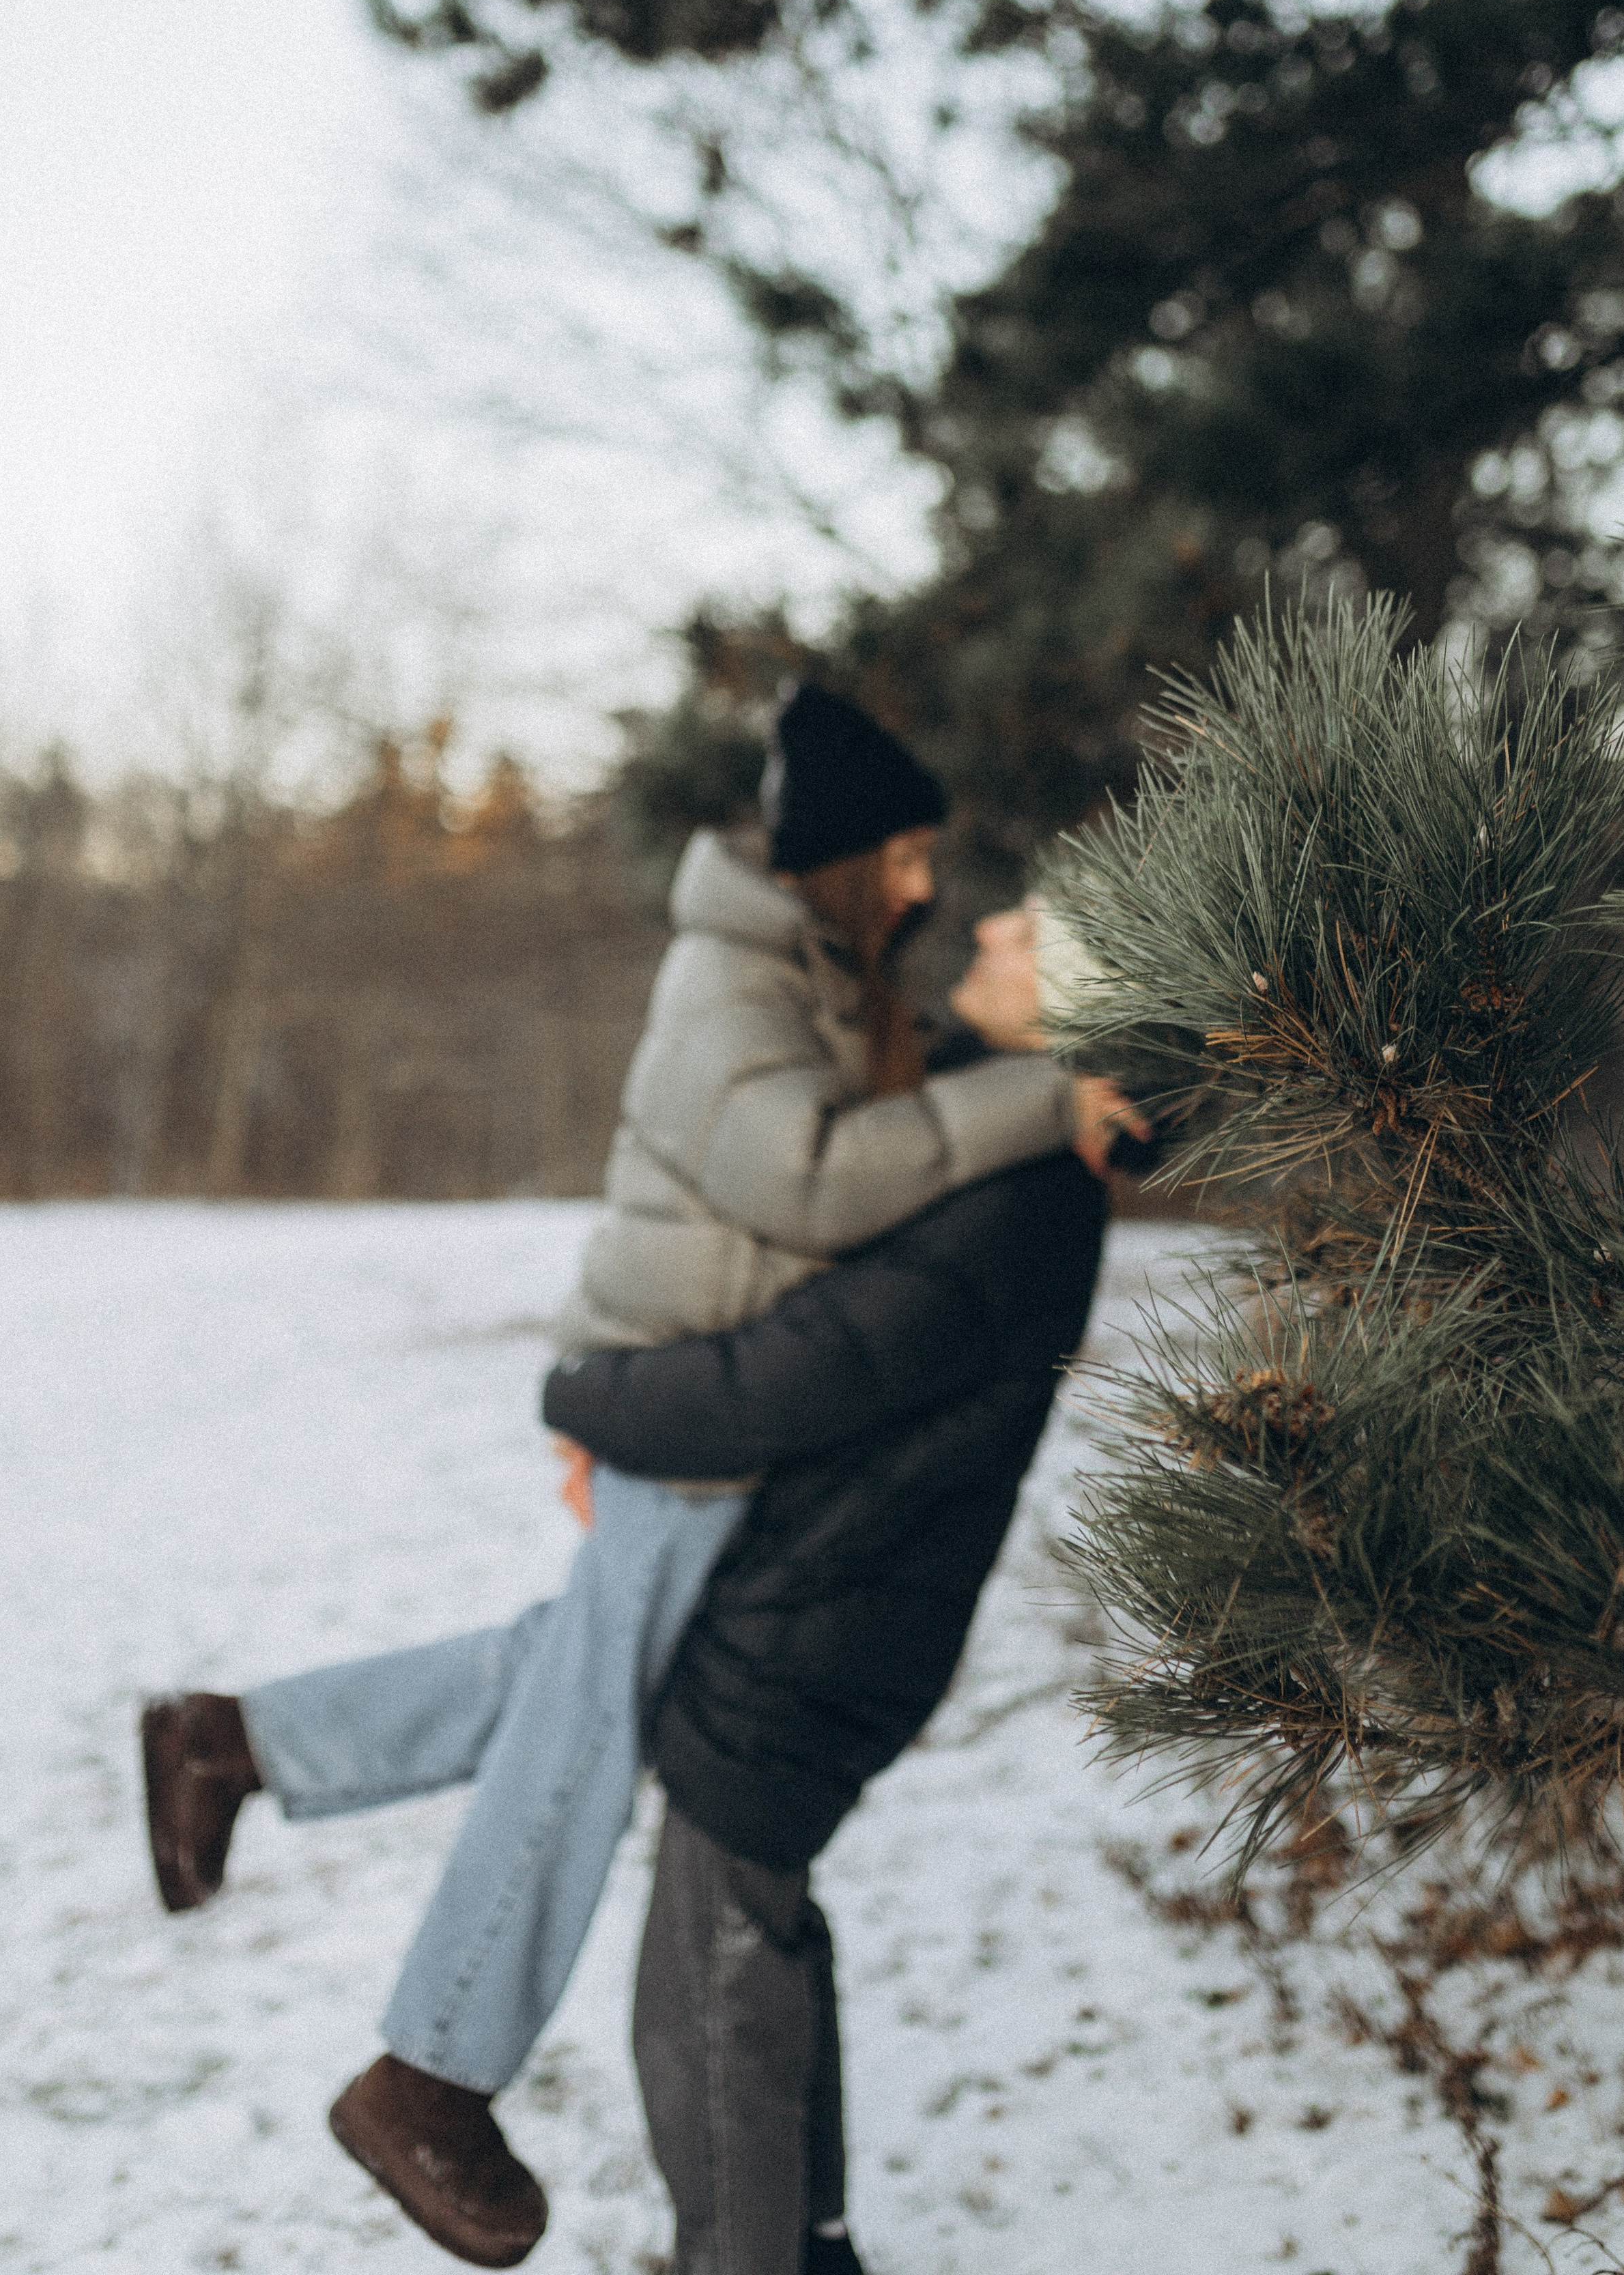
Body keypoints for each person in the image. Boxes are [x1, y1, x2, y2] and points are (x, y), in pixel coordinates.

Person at [139, 686, 1135, 2270]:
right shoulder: (750, 976)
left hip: (697, 1426)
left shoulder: (832, 991)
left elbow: (862, 1250)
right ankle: (431, 2076)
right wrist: (598, 1397)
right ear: (837, 858)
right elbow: (803, 1182)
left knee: (559, 1675)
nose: (941, 896)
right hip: (675, 1407)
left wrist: (1072, 1103)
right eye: (905, 856)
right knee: (581, 1710)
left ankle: (237, 1747)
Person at [545, 901, 1122, 2275]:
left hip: (817, 1629)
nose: (986, 922)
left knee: (706, 2005)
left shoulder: (1019, 1201)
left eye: (1031, 935)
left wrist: (580, 1391)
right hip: (828, 1606)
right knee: (748, 1949)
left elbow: (789, 1379)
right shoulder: (992, 1149)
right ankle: (808, 2248)